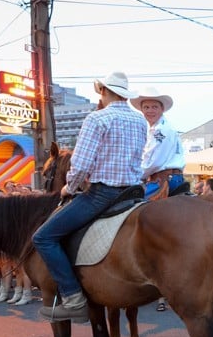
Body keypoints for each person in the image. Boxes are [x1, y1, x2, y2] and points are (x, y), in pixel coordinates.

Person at [33, 71, 148, 322]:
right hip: (134, 194)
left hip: (103, 194)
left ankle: (74, 299)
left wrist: (68, 188)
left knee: (43, 237)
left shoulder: (97, 119)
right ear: (124, 94)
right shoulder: (140, 120)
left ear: (105, 92)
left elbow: (81, 164)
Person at [132, 87, 186, 199]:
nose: (150, 111)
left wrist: (133, 176)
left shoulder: (160, 130)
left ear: (162, 109)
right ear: (142, 110)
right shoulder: (163, 127)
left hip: (163, 180)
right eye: (146, 107)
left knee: (133, 203)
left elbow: (154, 162)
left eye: (154, 107)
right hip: (173, 177)